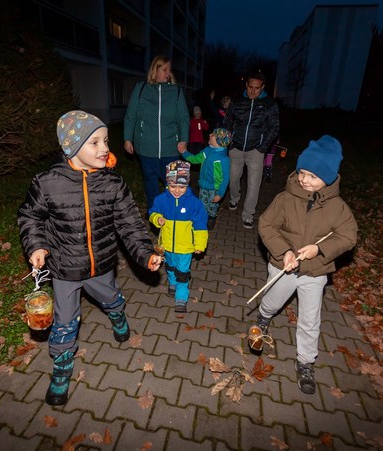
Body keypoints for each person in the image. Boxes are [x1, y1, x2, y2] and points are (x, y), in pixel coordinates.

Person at [18, 110, 163, 406]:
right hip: (64, 268)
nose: (104, 148)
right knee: (64, 321)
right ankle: (62, 367)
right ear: (72, 147)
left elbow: (130, 224)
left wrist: (145, 253)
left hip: (101, 265)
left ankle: (117, 313)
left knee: (109, 297)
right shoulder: (47, 183)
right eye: (94, 142)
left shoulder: (112, 184)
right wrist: (37, 246)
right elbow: (30, 216)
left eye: (106, 141)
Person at [249, 135, 357, 395]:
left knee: (310, 318)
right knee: (273, 301)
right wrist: (284, 251)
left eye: (313, 176)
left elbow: (348, 236)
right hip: (284, 266)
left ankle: (306, 362)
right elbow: (266, 224)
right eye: (302, 173)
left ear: (328, 178)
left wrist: (319, 249)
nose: (305, 179)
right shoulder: (285, 198)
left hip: (316, 272)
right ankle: (264, 315)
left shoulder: (338, 208)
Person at [124, 55, 190, 210]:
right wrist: (127, 138)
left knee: (174, 185)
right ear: (155, 70)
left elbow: (183, 118)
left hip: (170, 148)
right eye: (164, 69)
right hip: (146, 148)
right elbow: (131, 115)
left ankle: (173, 214)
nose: (168, 73)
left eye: (169, 70)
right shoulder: (141, 89)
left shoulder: (176, 91)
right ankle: (155, 214)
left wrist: (183, 139)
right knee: (150, 183)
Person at [148, 160, 208, 313]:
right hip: (167, 245)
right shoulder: (161, 199)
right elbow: (152, 212)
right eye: (172, 186)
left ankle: (181, 297)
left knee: (182, 271)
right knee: (170, 266)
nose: (176, 190)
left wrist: (200, 244)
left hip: (185, 247)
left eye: (181, 187)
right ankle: (172, 283)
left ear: (187, 184)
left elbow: (200, 225)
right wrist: (157, 218)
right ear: (167, 183)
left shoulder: (194, 204)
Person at [224, 72, 280, 229]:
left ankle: (248, 214)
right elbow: (227, 121)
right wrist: (230, 142)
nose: (253, 91)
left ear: (262, 87)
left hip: (256, 150)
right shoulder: (237, 101)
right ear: (246, 85)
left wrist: (262, 147)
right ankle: (235, 198)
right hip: (236, 147)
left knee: (254, 184)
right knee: (233, 178)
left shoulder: (269, 104)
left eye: (257, 88)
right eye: (250, 87)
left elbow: (274, 127)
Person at [178, 128, 232, 230]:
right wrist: (184, 152)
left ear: (219, 141)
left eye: (213, 134)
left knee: (212, 207)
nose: (210, 134)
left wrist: (220, 194)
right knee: (202, 205)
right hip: (203, 185)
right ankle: (201, 221)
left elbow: (226, 178)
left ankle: (211, 220)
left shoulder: (224, 159)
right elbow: (195, 159)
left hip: (214, 189)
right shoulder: (206, 151)